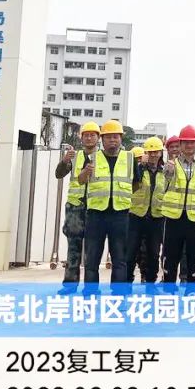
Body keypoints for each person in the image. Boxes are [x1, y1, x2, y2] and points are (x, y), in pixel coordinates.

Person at [80, 119, 135, 295]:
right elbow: (81, 180)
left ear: (121, 139)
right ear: (102, 140)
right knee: (92, 259)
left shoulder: (129, 159)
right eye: (108, 137)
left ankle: (118, 294)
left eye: (115, 137)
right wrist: (85, 172)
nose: (112, 140)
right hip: (96, 215)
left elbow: (137, 183)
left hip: (120, 215)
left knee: (120, 259)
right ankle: (90, 293)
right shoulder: (92, 158)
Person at [159, 125, 195, 291]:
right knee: (170, 258)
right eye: (185, 142)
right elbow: (163, 187)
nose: (189, 146)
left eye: (193, 142)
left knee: (194, 259)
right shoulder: (171, 165)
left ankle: (192, 293)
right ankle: (169, 292)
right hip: (173, 219)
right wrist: (168, 173)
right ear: (180, 144)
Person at [54, 122, 100, 293]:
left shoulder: (103, 157)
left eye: (92, 135)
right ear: (81, 138)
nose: (89, 138)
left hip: (95, 208)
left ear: (98, 138)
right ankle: (70, 285)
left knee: (92, 250)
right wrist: (65, 160)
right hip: (75, 208)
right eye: (86, 135)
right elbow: (59, 174)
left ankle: (91, 287)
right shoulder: (75, 156)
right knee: (73, 247)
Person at [126, 136, 166, 289]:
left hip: (156, 218)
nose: (153, 155)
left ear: (161, 153)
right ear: (145, 153)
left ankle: (150, 283)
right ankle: (127, 284)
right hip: (136, 216)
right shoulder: (138, 169)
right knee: (130, 252)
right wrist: (140, 166)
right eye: (150, 152)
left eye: (156, 152)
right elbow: (130, 183)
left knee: (153, 253)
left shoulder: (165, 172)